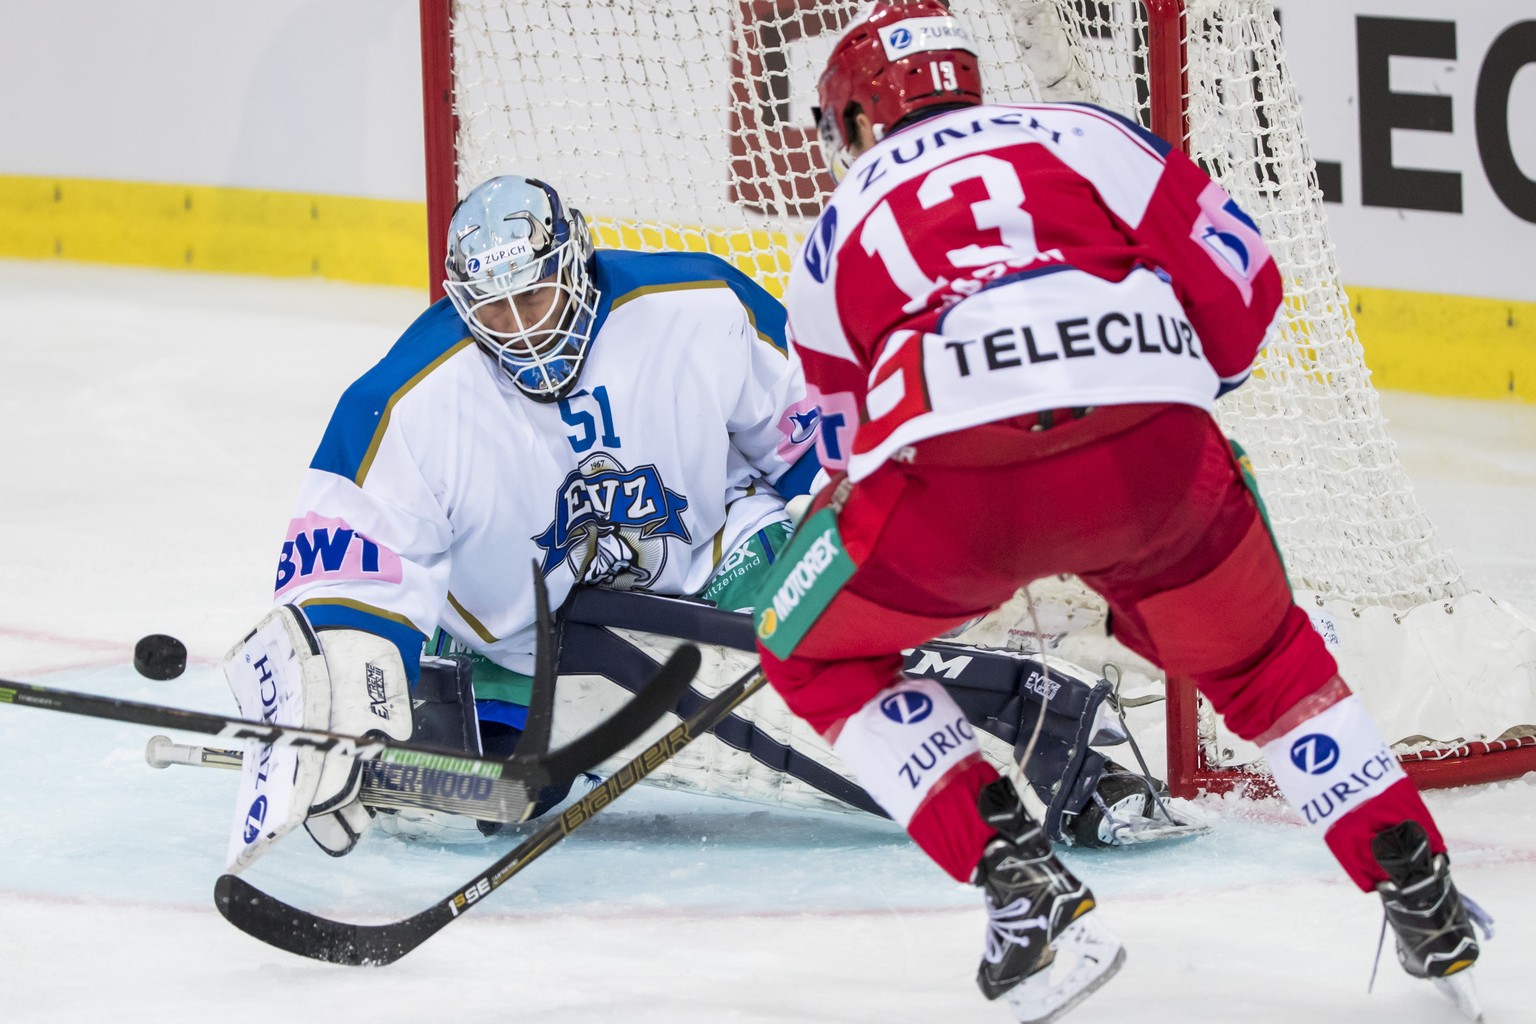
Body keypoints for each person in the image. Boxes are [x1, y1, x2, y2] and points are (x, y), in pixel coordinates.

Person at [750, 3, 1490, 1022]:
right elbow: (1246, 273)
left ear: (858, 120)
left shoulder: (834, 232)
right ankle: (1410, 871)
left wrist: (806, 563)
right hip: (1150, 453)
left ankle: (1013, 872)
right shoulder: (1086, 133)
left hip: (959, 487)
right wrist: (1176, 392)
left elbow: (835, 447)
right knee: (1263, 662)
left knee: (809, 651)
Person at [222, 173, 821, 859]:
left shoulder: (699, 304)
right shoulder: (403, 402)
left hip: (717, 562)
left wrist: (853, 533)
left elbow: (808, 425)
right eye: (495, 310)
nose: (521, 330)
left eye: (533, 296)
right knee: (493, 795)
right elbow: (349, 564)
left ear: (577, 264)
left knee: (840, 641)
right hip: (523, 638)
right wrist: (347, 705)